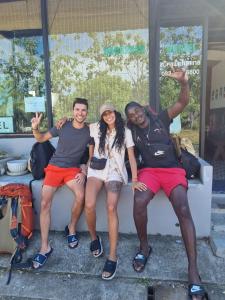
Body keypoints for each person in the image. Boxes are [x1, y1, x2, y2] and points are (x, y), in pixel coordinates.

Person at [125, 69, 208, 300]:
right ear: (129, 119)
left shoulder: (161, 117)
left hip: (172, 170)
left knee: (182, 208)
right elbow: (106, 125)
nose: (136, 116)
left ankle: (193, 271)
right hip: (150, 172)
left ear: (143, 109)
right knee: (139, 201)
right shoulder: (130, 130)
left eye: (137, 112)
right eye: (131, 115)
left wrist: (184, 82)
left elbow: (183, 101)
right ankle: (144, 248)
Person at [85, 103, 147, 280]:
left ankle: (112, 256)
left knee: (111, 208)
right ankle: (94, 238)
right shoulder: (96, 128)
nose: (107, 116)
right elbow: (80, 122)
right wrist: (65, 120)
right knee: (89, 204)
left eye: (110, 112)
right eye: (104, 114)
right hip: (97, 170)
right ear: (102, 117)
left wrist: (134, 180)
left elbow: (132, 157)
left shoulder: (126, 132)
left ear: (115, 112)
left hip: (115, 173)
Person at [30, 98, 91, 269]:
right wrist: (35, 128)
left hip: (72, 170)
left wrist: (84, 170)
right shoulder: (63, 125)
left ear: (87, 112)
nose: (80, 113)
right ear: (73, 111)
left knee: (81, 195)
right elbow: (41, 138)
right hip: (55, 168)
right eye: (77, 109)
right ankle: (44, 247)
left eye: (83, 110)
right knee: (44, 204)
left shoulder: (90, 130)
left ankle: (71, 228)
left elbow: (93, 151)